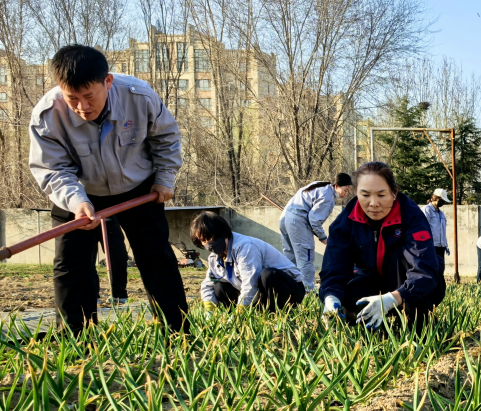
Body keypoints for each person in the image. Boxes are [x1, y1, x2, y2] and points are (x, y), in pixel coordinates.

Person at [29, 45, 187, 335]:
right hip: (78, 189)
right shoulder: (47, 115)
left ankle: (176, 329)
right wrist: (76, 201)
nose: (82, 107)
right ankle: (76, 333)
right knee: (71, 263)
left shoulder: (138, 96)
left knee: (156, 256)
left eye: (89, 96)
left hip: (137, 186)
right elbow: (51, 169)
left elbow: (166, 136)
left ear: (108, 81)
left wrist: (165, 178)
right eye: (72, 98)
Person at [319, 161, 443, 329]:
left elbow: (425, 270)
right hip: (372, 281)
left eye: (381, 195)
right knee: (350, 298)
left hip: (412, 287)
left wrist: (392, 298)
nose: (373, 203)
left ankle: (417, 323)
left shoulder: (412, 217)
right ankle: (377, 326)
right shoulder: (345, 223)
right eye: (365, 195)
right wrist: (331, 297)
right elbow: (334, 267)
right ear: (356, 192)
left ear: (394, 192)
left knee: (400, 258)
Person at [192, 211, 305, 311]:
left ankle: (276, 312)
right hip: (259, 292)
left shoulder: (245, 247)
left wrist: (241, 310)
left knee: (268, 275)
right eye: (203, 241)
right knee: (219, 287)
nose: (208, 244)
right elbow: (208, 284)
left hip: (289, 289)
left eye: (210, 237)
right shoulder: (215, 257)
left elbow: (250, 282)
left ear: (222, 233)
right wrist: (209, 311)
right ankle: (249, 314)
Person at [279, 173, 353, 291]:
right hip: (298, 221)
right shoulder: (328, 198)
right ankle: (307, 292)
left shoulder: (319, 185)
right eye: (345, 190)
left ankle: (288, 289)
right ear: (336, 186)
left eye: (348, 191)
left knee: (290, 257)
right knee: (306, 258)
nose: (346, 193)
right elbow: (314, 219)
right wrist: (323, 237)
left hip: (285, 218)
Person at [421, 188, 451, 301]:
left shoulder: (441, 213)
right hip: (431, 246)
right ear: (437, 198)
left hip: (440, 246)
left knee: (440, 270)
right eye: (442, 200)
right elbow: (422, 227)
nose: (443, 203)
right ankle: (429, 290)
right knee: (432, 270)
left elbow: (442, 230)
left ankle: (437, 291)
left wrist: (446, 245)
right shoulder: (426, 210)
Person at [97, 217, 129, 304]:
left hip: (109, 219)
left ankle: (118, 295)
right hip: (83, 222)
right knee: (86, 260)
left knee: (118, 256)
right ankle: (91, 295)